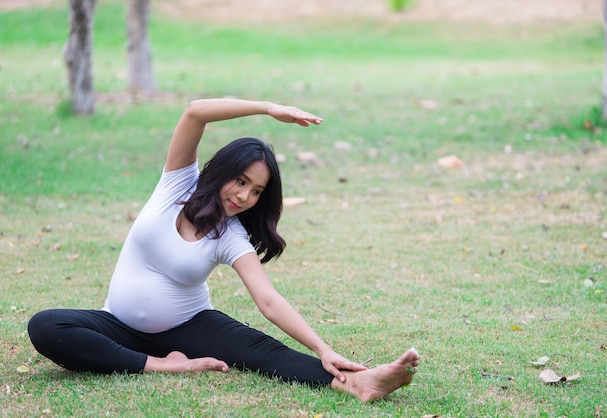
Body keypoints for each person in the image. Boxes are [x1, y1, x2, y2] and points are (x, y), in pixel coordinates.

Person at [27, 98, 420, 402]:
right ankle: (164, 368)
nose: (245, 196)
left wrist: (323, 348)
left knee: (264, 352)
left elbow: (267, 300)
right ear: (223, 169)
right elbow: (196, 112)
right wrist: (268, 108)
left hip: (191, 325)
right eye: (241, 181)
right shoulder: (177, 184)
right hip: (118, 326)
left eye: (257, 191)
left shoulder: (231, 236)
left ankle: (359, 383)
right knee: (46, 326)